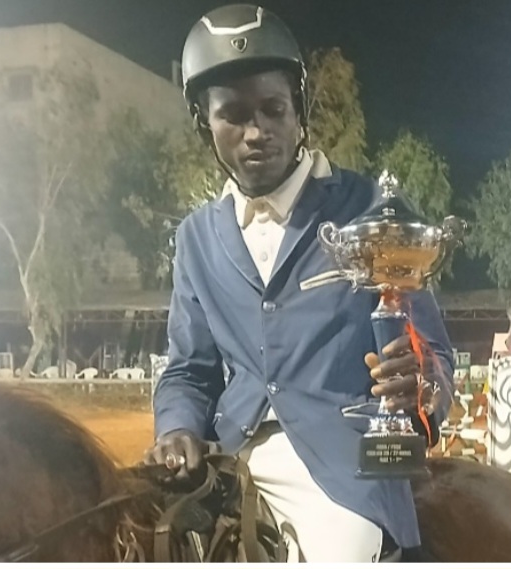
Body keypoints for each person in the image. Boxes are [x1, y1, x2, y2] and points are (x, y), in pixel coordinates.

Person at [145, 4, 455, 563]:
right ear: (203, 123)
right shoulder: (195, 237)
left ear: (300, 109)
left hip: (344, 463)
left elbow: (432, 353)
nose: (256, 132)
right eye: (232, 115)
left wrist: (422, 388)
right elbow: (189, 369)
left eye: (273, 109)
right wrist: (176, 427)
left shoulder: (370, 211)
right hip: (227, 458)